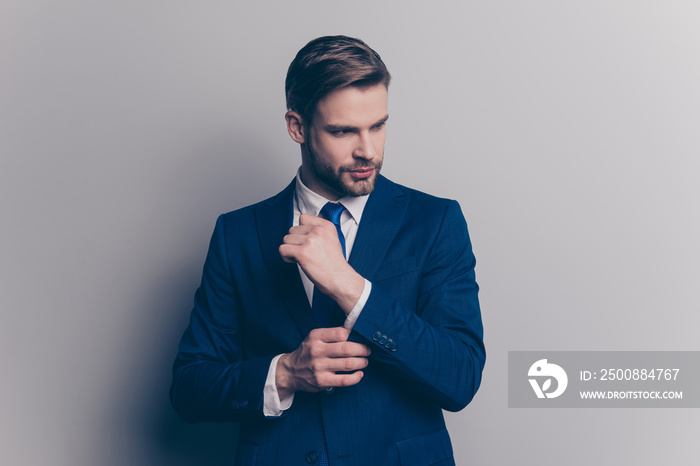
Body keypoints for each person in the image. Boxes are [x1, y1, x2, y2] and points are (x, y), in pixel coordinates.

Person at [170, 35, 485, 466]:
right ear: (297, 127)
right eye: (343, 131)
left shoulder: (434, 222)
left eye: (378, 125)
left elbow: (459, 378)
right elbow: (190, 388)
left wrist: (350, 287)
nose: (368, 150)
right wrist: (284, 373)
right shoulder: (237, 234)